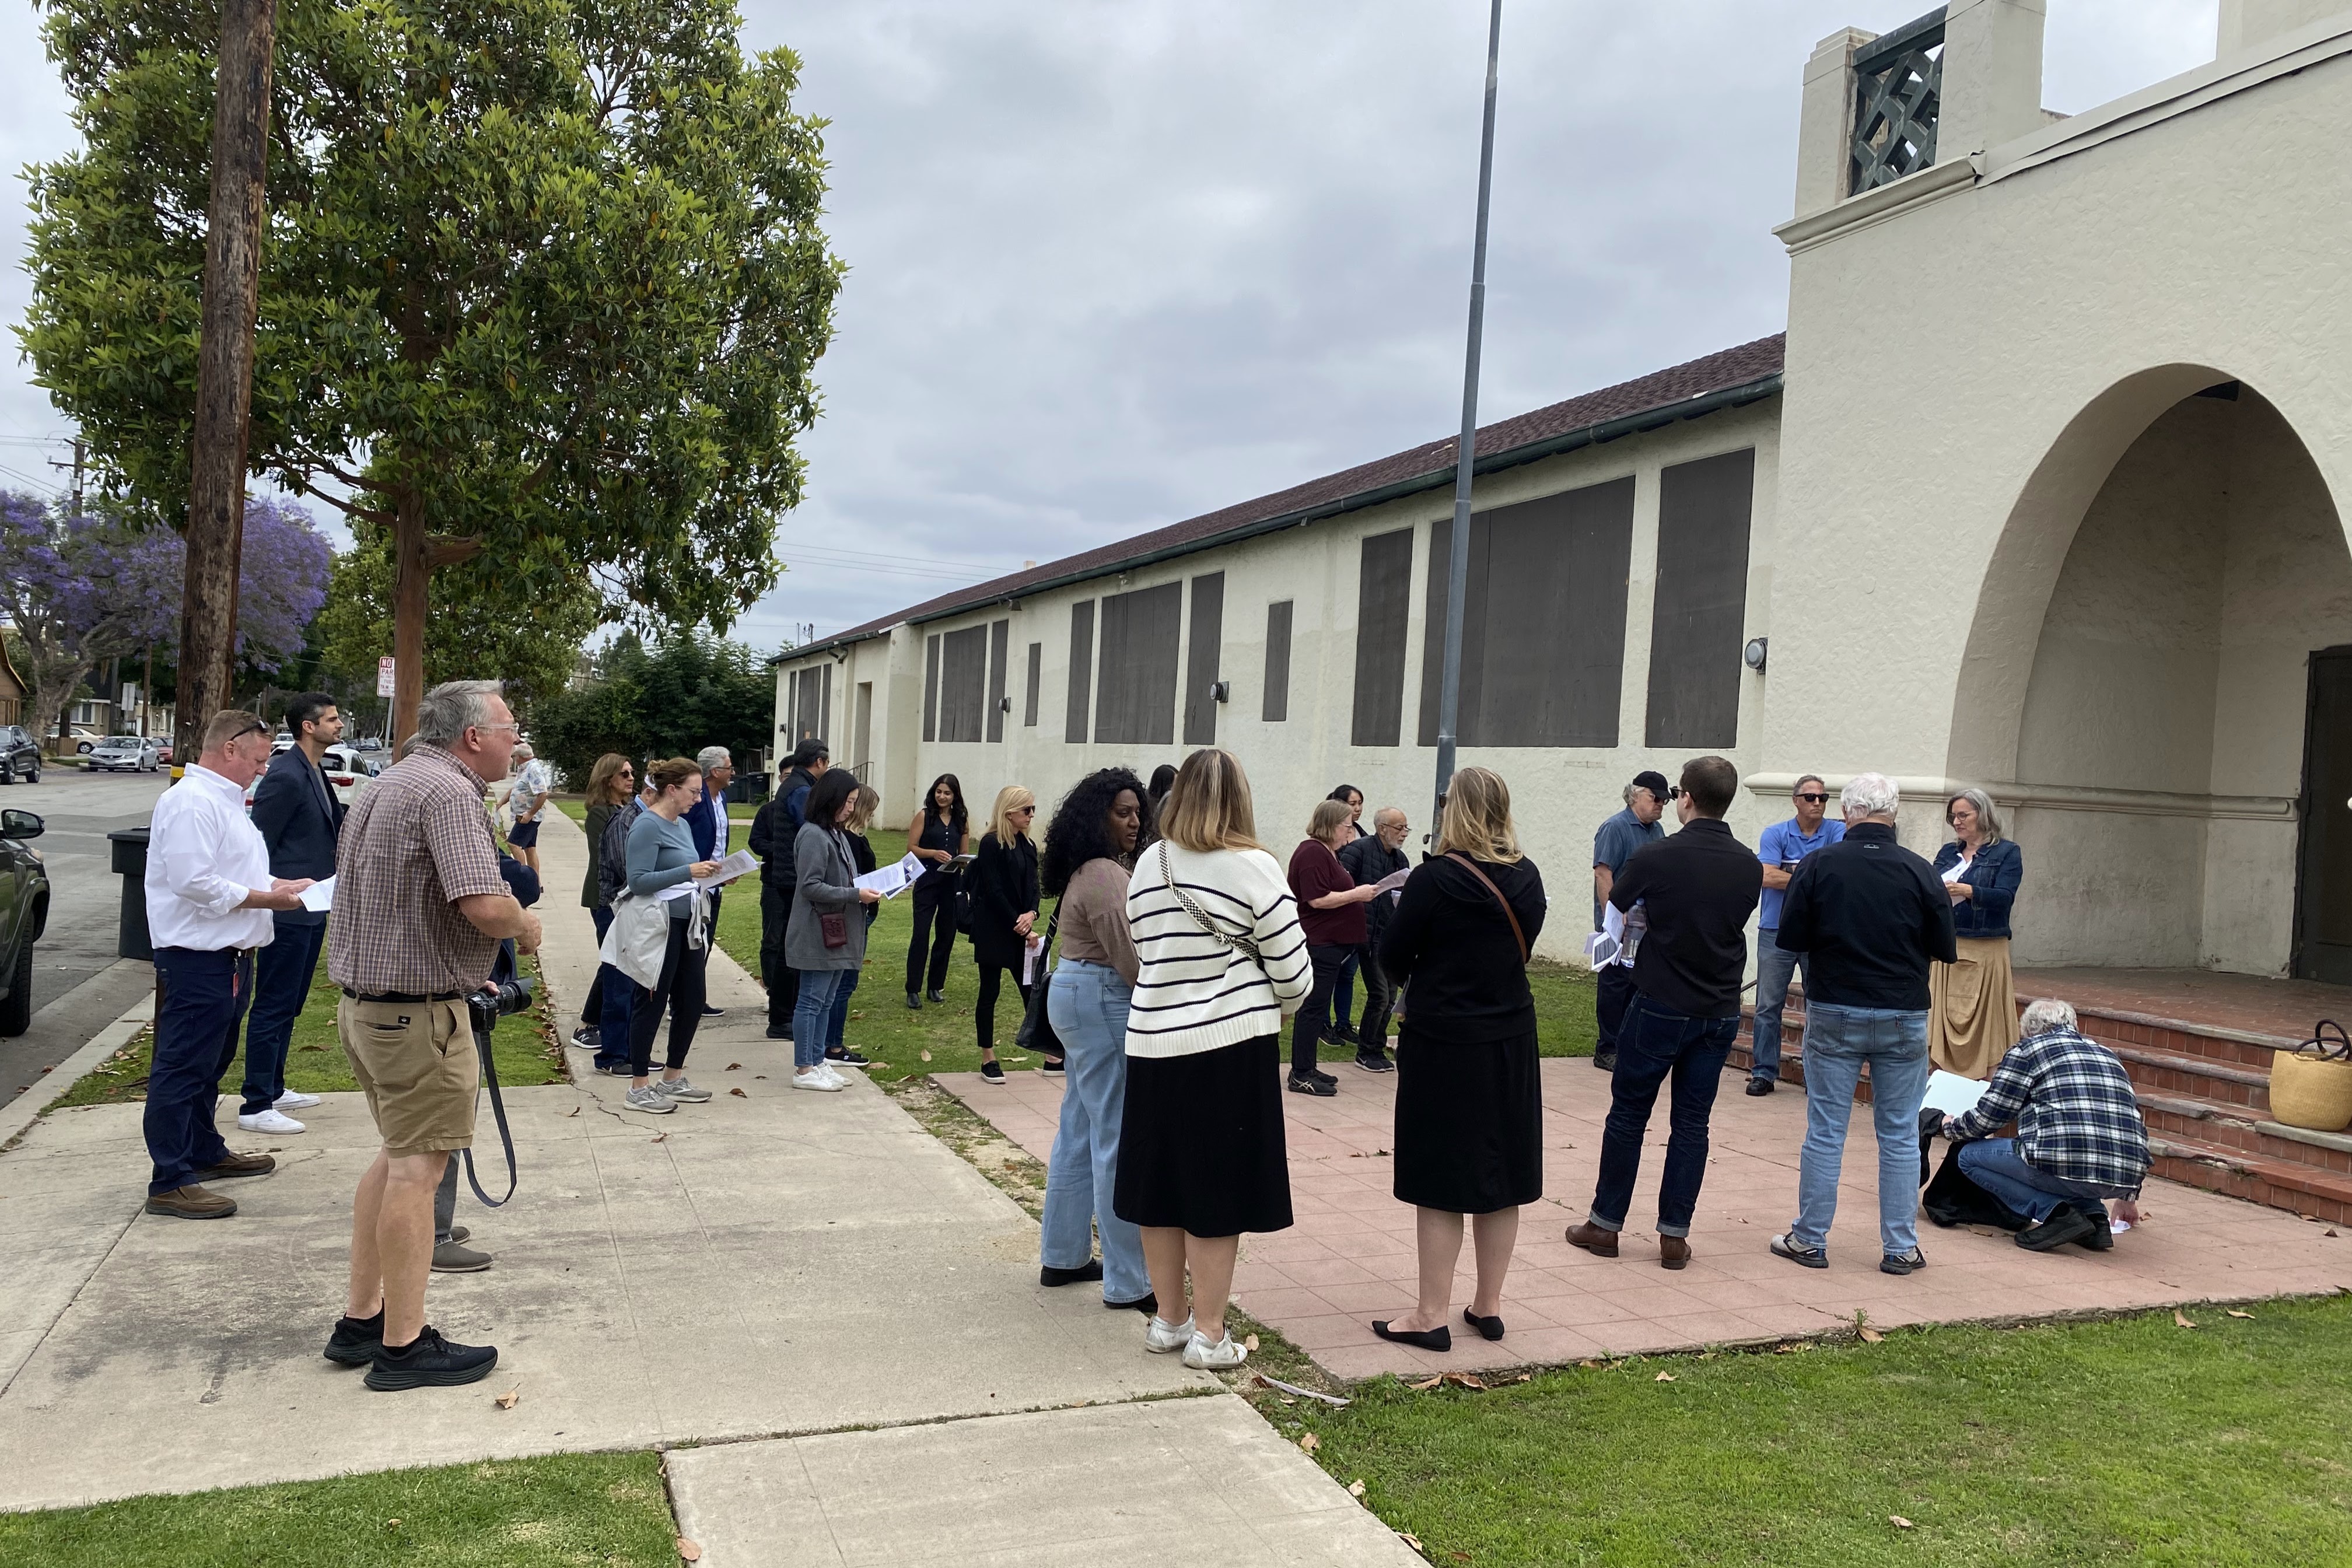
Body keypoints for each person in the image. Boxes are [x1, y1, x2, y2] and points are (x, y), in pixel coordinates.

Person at [323, 679, 541, 1391]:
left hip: (371, 1008)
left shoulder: (389, 782)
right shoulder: (450, 794)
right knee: (418, 1172)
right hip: (414, 1018)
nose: (517, 740)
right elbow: (483, 904)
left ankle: (362, 1320)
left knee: (394, 1162)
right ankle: (404, 1346)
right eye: (510, 728)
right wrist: (526, 923)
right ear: (473, 735)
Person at [1118, 747, 1311, 1370]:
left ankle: (1169, 1320)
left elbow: (1145, 943)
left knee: (1162, 1184)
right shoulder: (1254, 866)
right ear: (1240, 799)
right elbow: (1296, 975)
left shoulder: (1150, 863)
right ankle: (1209, 1333)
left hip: (1152, 1039)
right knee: (1215, 1192)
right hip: (1228, 1045)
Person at [1370, 768, 1547, 1352]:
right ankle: (1489, 1305)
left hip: (1444, 1040)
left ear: (1456, 811)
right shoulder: (1528, 878)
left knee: (1440, 1177)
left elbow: (1393, 953)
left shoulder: (1434, 878)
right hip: (1511, 1038)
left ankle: (1430, 1314)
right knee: (1504, 1173)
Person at [1567, 757, 1760, 1270]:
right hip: (1718, 1005)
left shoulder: (1659, 854)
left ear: (1686, 799)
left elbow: (1621, 902)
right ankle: (1674, 1235)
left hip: (1661, 1000)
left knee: (1629, 1114)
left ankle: (1605, 1225)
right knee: (1692, 1124)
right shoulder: (1748, 864)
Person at [1768, 772, 1958, 1275]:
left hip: (1834, 1008)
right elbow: (1945, 948)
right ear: (1893, 814)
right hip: (1902, 1011)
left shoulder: (1819, 864)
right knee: (1898, 1134)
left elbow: (1791, 937)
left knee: (1827, 1130)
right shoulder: (1920, 870)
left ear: (1847, 812)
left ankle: (1809, 1239)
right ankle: (1900, 1247)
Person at [141, 710, 313, 1220]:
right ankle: (169, 1179)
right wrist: (267, 899)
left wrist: (277, 886)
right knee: (181, 1067)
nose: (262, 769)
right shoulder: (191, 802)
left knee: (210, 1064)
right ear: (230, 749)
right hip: (197, 958)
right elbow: (194, 881)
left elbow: (232, 873)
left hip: (230, 956)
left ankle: (202, 1151)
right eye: (258, 759)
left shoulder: (227, 802)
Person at [1037, 766, 1154, 1312]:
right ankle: (1129, 1281)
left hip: (1074, 992)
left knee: (1079, 1128)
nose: (1134, 821)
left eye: (1137, 812)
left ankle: (1062, 1256)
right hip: (1103, 997)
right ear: (1097, 817)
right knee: (1114, 1137)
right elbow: (1131, 961)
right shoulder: (1107, 874)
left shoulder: (1087, 868)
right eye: (1122, 812)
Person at [1929, 998, 2149, 1252]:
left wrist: (1946, 1125)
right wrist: (2128, 1198)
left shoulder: (2027, 1052)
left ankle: (2057, 1214)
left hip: (2064, 1163)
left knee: (1968, 1157)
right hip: (2124, 1174)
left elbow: (1988, 1118)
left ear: (2028, 1030)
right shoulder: (2109, 1056)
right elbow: (2136, 1129)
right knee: (2074, 1155)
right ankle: (2095, 1218)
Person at [240, 692, 345, 1135]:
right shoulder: (285, 775)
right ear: (308, 725)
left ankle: (276, 1087)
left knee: (292, 1004)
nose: (339, 726)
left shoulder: (315, 769)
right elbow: (258, 843)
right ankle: (255, 1103)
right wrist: (275, 892)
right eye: (333, 719)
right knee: (273, 1003)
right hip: (286, 910)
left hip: (313, 906)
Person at [622, 757, 722, 1113]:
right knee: (650, 1002)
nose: (699, 798)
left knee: (692, 1000)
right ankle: (638, 1087)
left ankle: (673, 1077)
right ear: (672, 789)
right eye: (694, 792)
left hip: (687, 923)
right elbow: (638, 881)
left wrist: (711, 875)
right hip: (658, 928)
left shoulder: (680, 825)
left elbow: (687, 873)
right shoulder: (647, 826)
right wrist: (688, 870)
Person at [1746, 774, 1846, 1097]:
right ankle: (1763, 1072)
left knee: (1819, 1005)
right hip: (1776, 930)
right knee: (1768, 1005)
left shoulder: (1838, 831)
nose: (1818, 803)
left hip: (1821, 933)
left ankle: (1815, 1074)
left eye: (1823, 797)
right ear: (1795, 800)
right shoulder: (1776, 833)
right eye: (1810, 797)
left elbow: (1838, 877)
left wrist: (1790, 873)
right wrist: (1811, 877)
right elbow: (1765, 876)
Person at [788, 768, 882, 1091]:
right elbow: (810, 886)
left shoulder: (836, 833)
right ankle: (803, 1068)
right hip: (818, 931)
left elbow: (845, 880)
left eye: (855, 803)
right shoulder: (814, 834)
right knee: (811, 1000)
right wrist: (856, 894)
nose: (852, 809)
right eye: (849, 802)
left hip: (838, 931)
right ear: (833, 799)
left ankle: (817, 1060)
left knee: (826, 1001)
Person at [1285, 799, 1383, 1096]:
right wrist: (1357, 894)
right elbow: (1316, 900)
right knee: (1313, 1008)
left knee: (1316, 1007)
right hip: (1320, 943)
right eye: (1347, 826)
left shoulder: (1328, 852)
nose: (1350, 833)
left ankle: (1308, 1066)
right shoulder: (1312, 852)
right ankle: (1301, 1073)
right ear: (1331, 825)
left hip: (1333, 944)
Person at [1930, 788, 2025, 1079]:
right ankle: (1939, 1091)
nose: (1956, 822)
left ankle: (1983, 1093)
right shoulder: (1949, 852)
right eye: (1953, 817)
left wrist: (1969, 892)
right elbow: (1930, 884)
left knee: (1986, 1024)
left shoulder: (2007, 852)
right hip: (1948, 944)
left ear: (1983, 815)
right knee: (1943, 1020)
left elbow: (2005, 897)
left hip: (1985, 945)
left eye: (1963, 815)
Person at [1589, 770, 1669, 1072]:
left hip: (1645, 924)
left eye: (1665, 799)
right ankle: (1607, 1048)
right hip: (1619, 922)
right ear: (1635, 795)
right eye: (1655, 798)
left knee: (1638, 985)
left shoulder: (1656, 831)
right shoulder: (1615, 827)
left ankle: (1629, 1045)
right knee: (1614, 985)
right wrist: (1613, 915)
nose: (1661, 804)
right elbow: (1603, 873)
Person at [750, 739, 830, 1040]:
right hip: (789, 878)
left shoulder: (795, 784)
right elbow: (811, 823)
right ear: (819, 762)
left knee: (788, 948)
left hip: (785, 874)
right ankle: (782, 1018)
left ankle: (786, 1013)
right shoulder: (800, 789)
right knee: (788, 951)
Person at [969, 784, 1040, 1086]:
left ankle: (1051, 1054)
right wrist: (1017, 920)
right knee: (990, 991)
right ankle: (988, 1056)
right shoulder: (990, 844)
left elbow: (1034, 888)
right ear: (1009, 812)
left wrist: (1031, 914)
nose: (1031, 815)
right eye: (1027, 810)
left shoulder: (1028, 845)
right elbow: (993, 890)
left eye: (1033, 809)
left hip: (1021, 930)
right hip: (994, 929)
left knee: (1032, 991)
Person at [572, 753, 635, 1069]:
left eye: (631, 772)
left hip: (625, 900)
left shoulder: (629, 810)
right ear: (608, 778)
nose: (631, 777)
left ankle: (594, 1022)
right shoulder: (600, 813)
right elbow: (613, 856)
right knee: (614, 964)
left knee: (616, 963)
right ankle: (594, 1027)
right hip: (605, 897)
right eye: (624, 773)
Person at [1337, 806, 1410, 1072]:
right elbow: (1342, 885)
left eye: (1406, 828)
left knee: (1390, 996)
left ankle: (1376, 1047)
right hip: (1365, 934)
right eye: (1398, 828)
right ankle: (1366, 1050)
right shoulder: (1359, 850)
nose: (1404, 833)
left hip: (1388, 936)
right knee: (1379, 994)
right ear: (1382, 829)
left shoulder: (1401, 859)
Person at [592, 771, 654, 1075]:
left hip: (641, 910)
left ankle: (635, 1053)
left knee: (640, 984)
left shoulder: (650, 821)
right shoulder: (626, 822)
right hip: (616, 911)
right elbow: (630, 874)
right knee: (619, 984)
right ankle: (613, 1056)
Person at [822, 783, 882, 1070]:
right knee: (843, 982)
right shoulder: (848, 840)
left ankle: (829, 1042)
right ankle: (832, 1045)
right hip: (854, 912)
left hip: (859, 909)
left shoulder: (851, 838)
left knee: (841, 982)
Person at [902, 773, 970, 1009]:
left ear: (955, 796)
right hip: (927, 881)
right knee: (921, 934)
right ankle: (913, 988)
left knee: (946, 935)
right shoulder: (924, 816)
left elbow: (963, 852)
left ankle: (935, 985)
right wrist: (933, 853)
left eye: (948, 793)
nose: (942, 796)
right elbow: (911, 848)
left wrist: (963, 862)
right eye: (939, 792)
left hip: (951, 883)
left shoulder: (961, 819)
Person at [685, 746, 736, 1018]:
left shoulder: (722, 798)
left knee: (707, 939)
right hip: (695, 881)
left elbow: (720, 840)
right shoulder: (696, 799)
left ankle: (695, 997)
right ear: (715, 772)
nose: (733, 773)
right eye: (729, 768)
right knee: (695, 940)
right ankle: (685, 1000)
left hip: (716, 881)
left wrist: (726, 871)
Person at [1324, 784, 1367, 1046]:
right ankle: (1323, 1023)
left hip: (1358, 914)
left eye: (1361, 803)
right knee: (1330, 973)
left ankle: (1343, 1024)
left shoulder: (1363, 835)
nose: (1358, 808)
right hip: (1336, 915)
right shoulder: (1330, 841)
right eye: (1353, 803)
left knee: (1348, 974)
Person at [504, 741, 549, 874]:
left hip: (528, 817)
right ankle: (536, 882)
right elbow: (517, 788)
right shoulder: (524, 768)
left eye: (515, 756)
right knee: (530, 848)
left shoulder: (533, 769)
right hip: (523, 815)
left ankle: (523, 878)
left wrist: (530, 814)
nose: (514, 759)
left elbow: (543, 793)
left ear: (521, 757)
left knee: (514, 844)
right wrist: (501, 803)